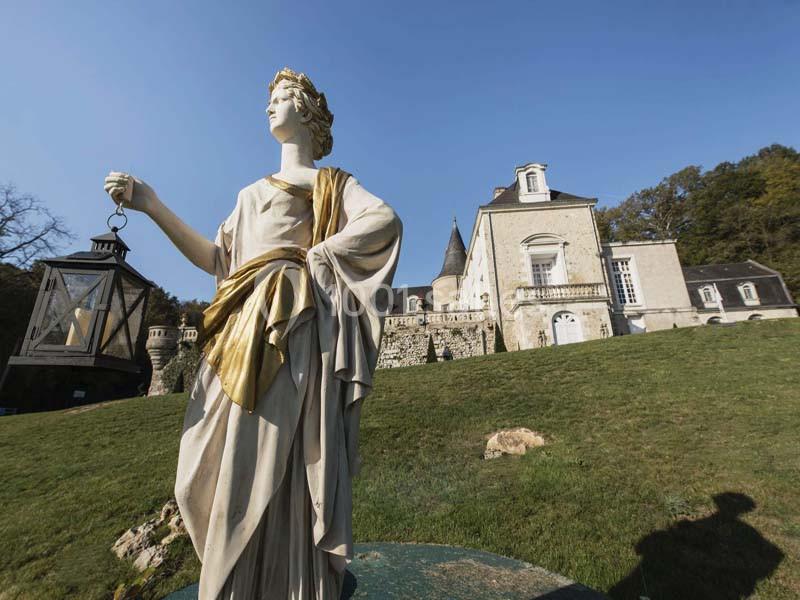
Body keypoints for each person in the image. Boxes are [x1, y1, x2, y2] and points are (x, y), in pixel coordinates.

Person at [104, 67, 402, 600]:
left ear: (308, 113)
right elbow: (218, 260)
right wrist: (151, 205)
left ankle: (284, 581)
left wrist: (316, 257)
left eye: (284, 96)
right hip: (240, 324)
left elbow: (383, 220)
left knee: (278, 455)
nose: (271, 105)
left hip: (293, 327)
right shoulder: (248, 194)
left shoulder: (332, 184)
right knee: (204, 463)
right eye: (270, 98)